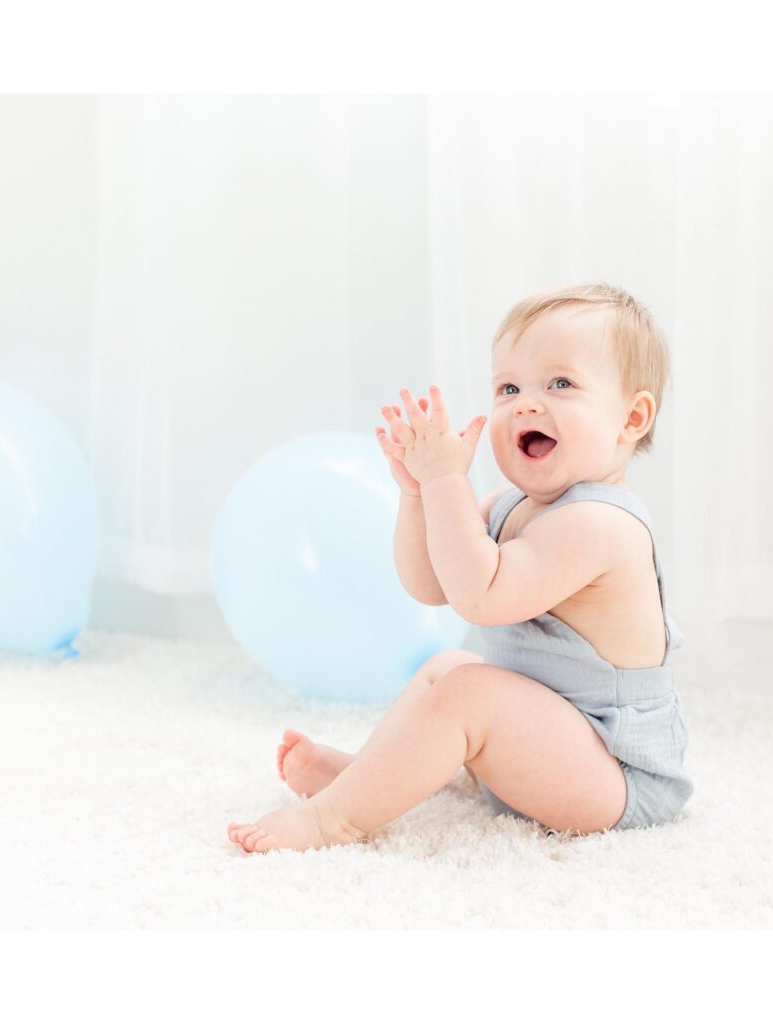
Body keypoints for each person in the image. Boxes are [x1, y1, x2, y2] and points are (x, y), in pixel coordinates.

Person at [227, 282, 693, 853]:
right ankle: (371, 777)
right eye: (508, 387)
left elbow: (480, 597)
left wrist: (447, 480)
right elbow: (430, 584)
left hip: (615, 774)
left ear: (632, 417)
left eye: (561, 384)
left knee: (469, 690)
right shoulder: (508, 504)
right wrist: (420, 495)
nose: (525, 402)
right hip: (547, 749)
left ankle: (333, 819)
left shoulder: (600, 524)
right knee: (447, 667)